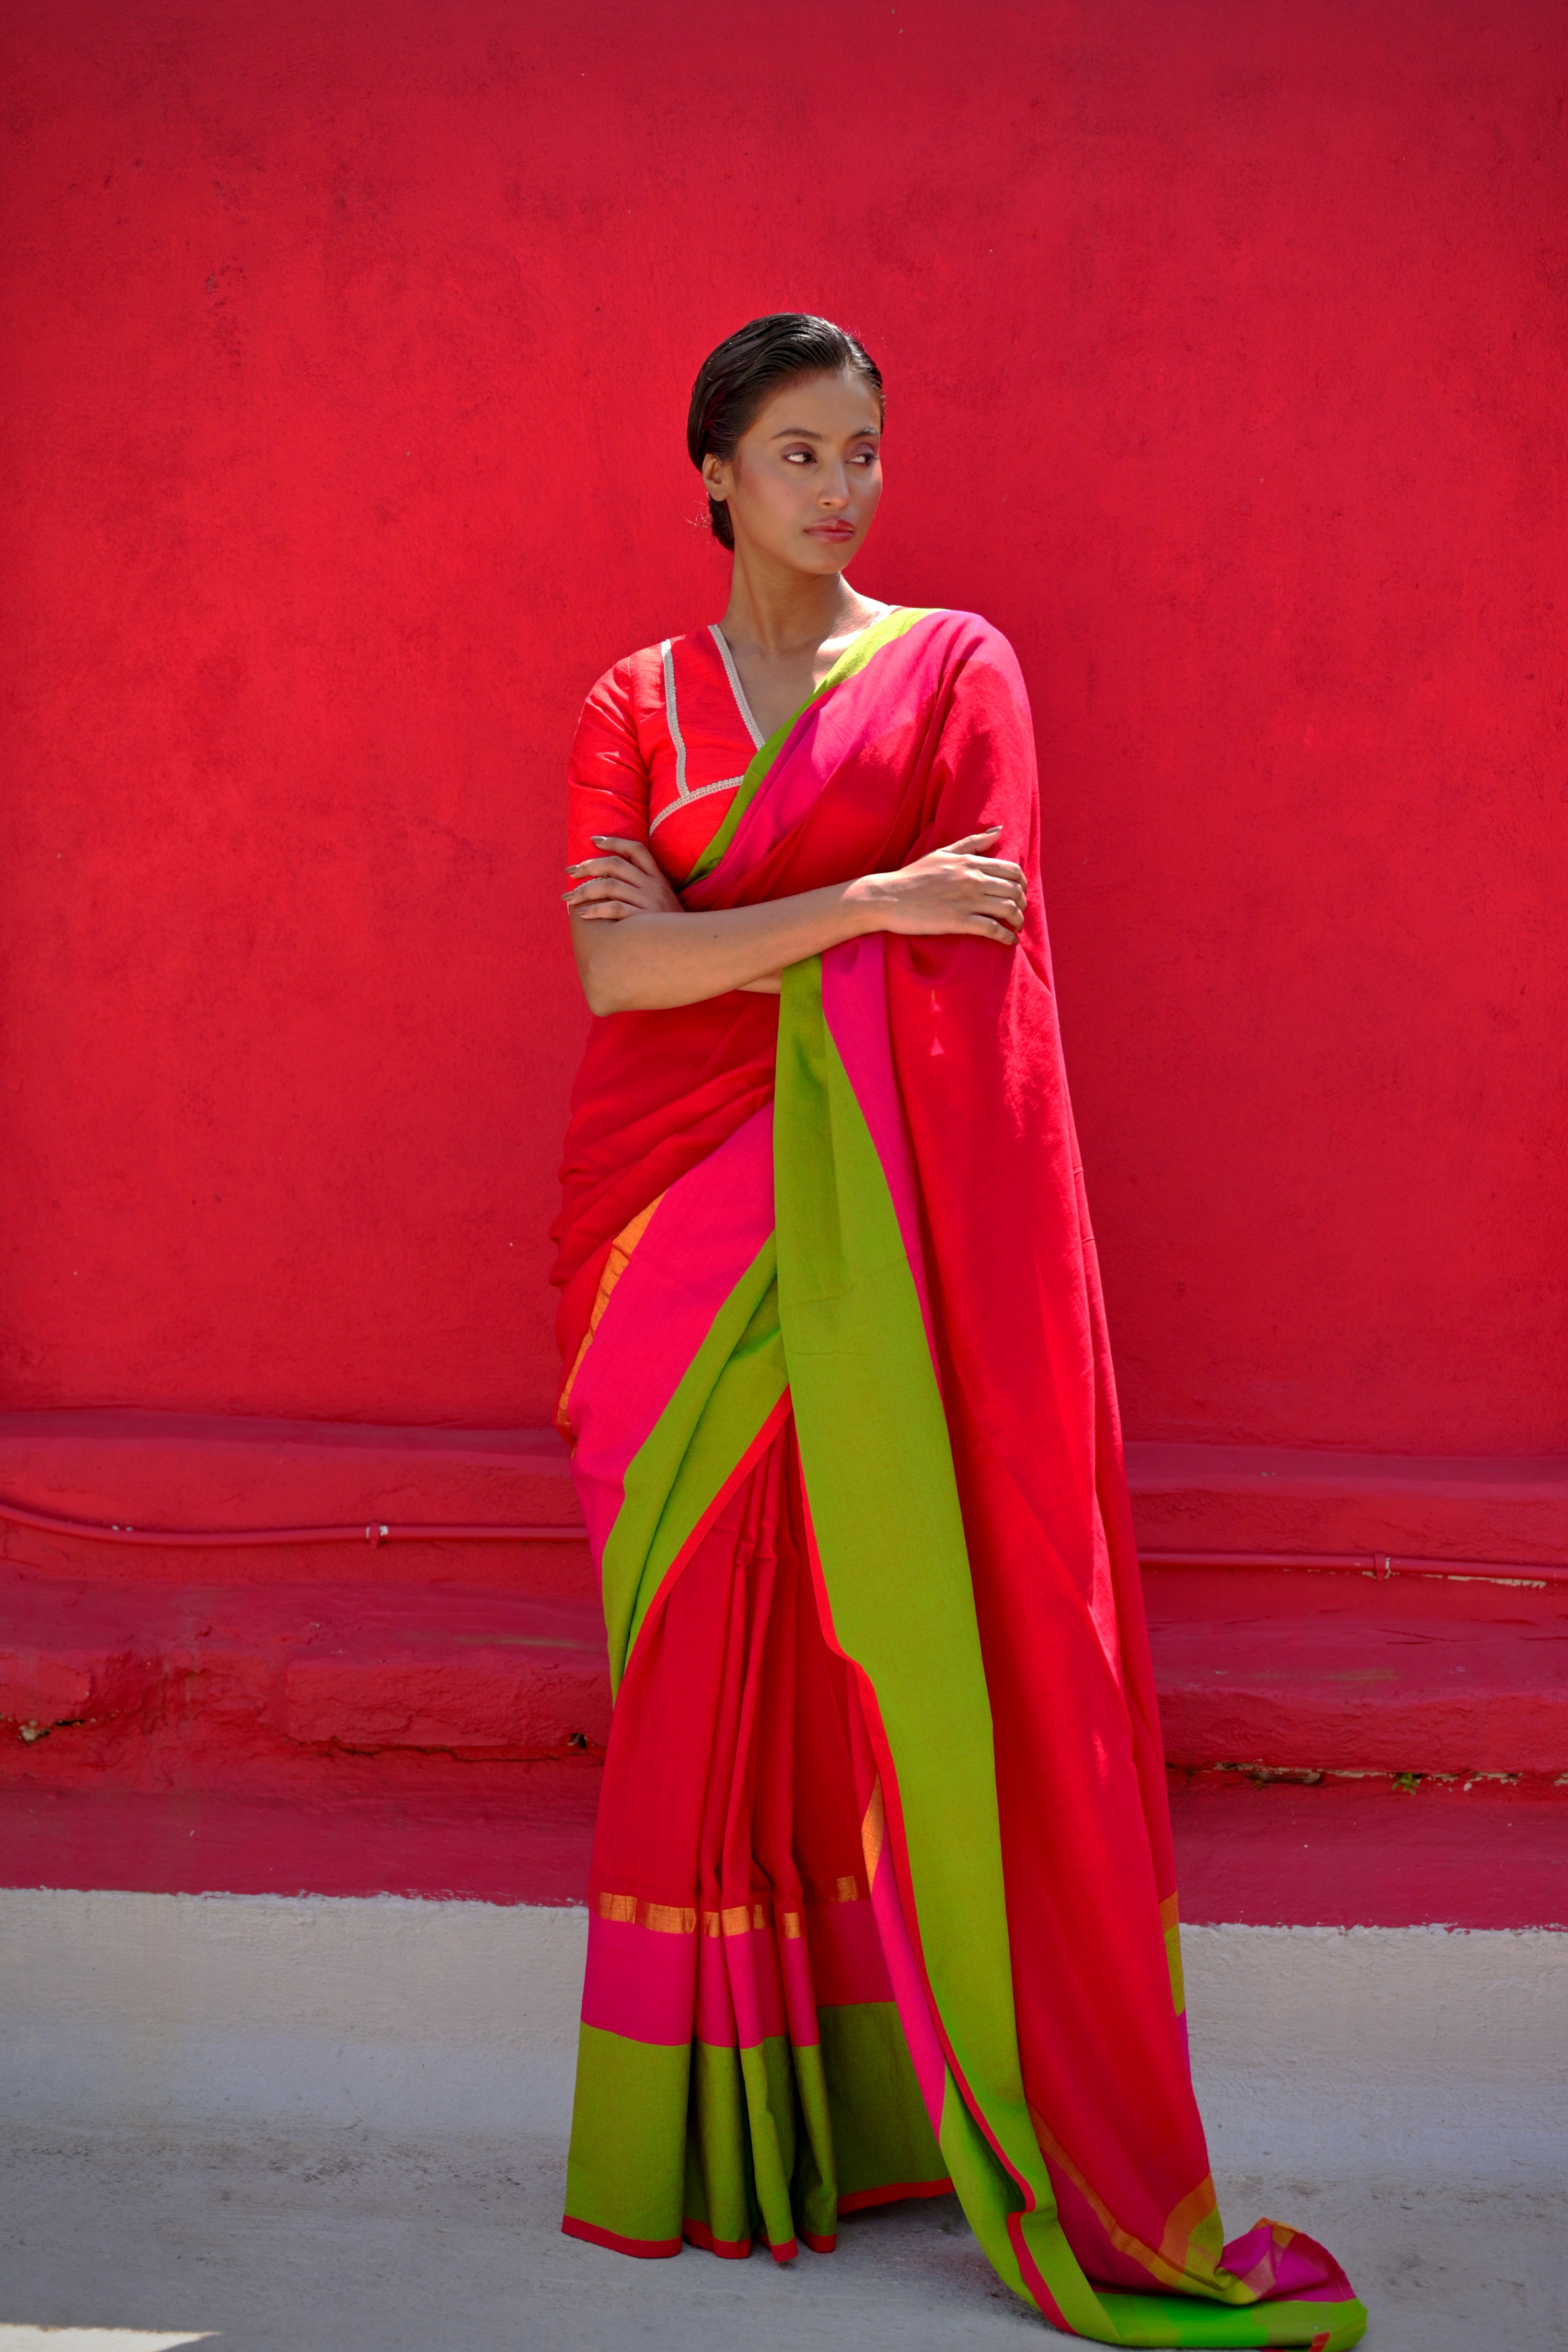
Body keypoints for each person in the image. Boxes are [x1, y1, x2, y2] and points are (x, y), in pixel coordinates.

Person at [551, 313, 1365, 2347]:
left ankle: (951, 2110)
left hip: (890, 1249)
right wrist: (858, 908)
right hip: (660, 1239)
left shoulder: (949, 671)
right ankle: (725, 2142)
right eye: (802, 453)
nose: (842, 492)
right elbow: (619, 977)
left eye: (865, 457)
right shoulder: (634, 702)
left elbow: (985, 951)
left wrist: (826, 926)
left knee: (902, 1633)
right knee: (707, 1666)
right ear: (713, 473)